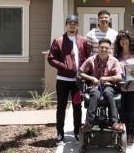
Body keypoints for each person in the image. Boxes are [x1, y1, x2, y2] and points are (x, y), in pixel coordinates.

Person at [47, 15, 89, 145]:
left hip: (78, 81)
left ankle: (77, 132)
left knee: (78, 106)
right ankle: (60, 133)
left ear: (77, 25)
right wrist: (64, 67)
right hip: (63, 80)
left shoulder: (83, 41)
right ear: (66, 25)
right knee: (61, 107)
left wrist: (86, 75)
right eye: (70, 23)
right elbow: (51, 58)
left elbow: (87, 59)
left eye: (75, 23)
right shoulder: (58, 40)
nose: (72, 25)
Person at [79, 38, 124, 132]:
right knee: (94, 94)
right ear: (98, 48)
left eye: (106, 48)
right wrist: (92, 78)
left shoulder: (114, 61)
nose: (104, 50)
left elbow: (119, 77)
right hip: (95, 85)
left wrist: (107, 78)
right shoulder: (91, 59)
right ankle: (89, 123)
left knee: (108, 93)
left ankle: (113, 122)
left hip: (109, 86)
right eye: (102, 47)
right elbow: (81, 73)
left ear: (110, 49)